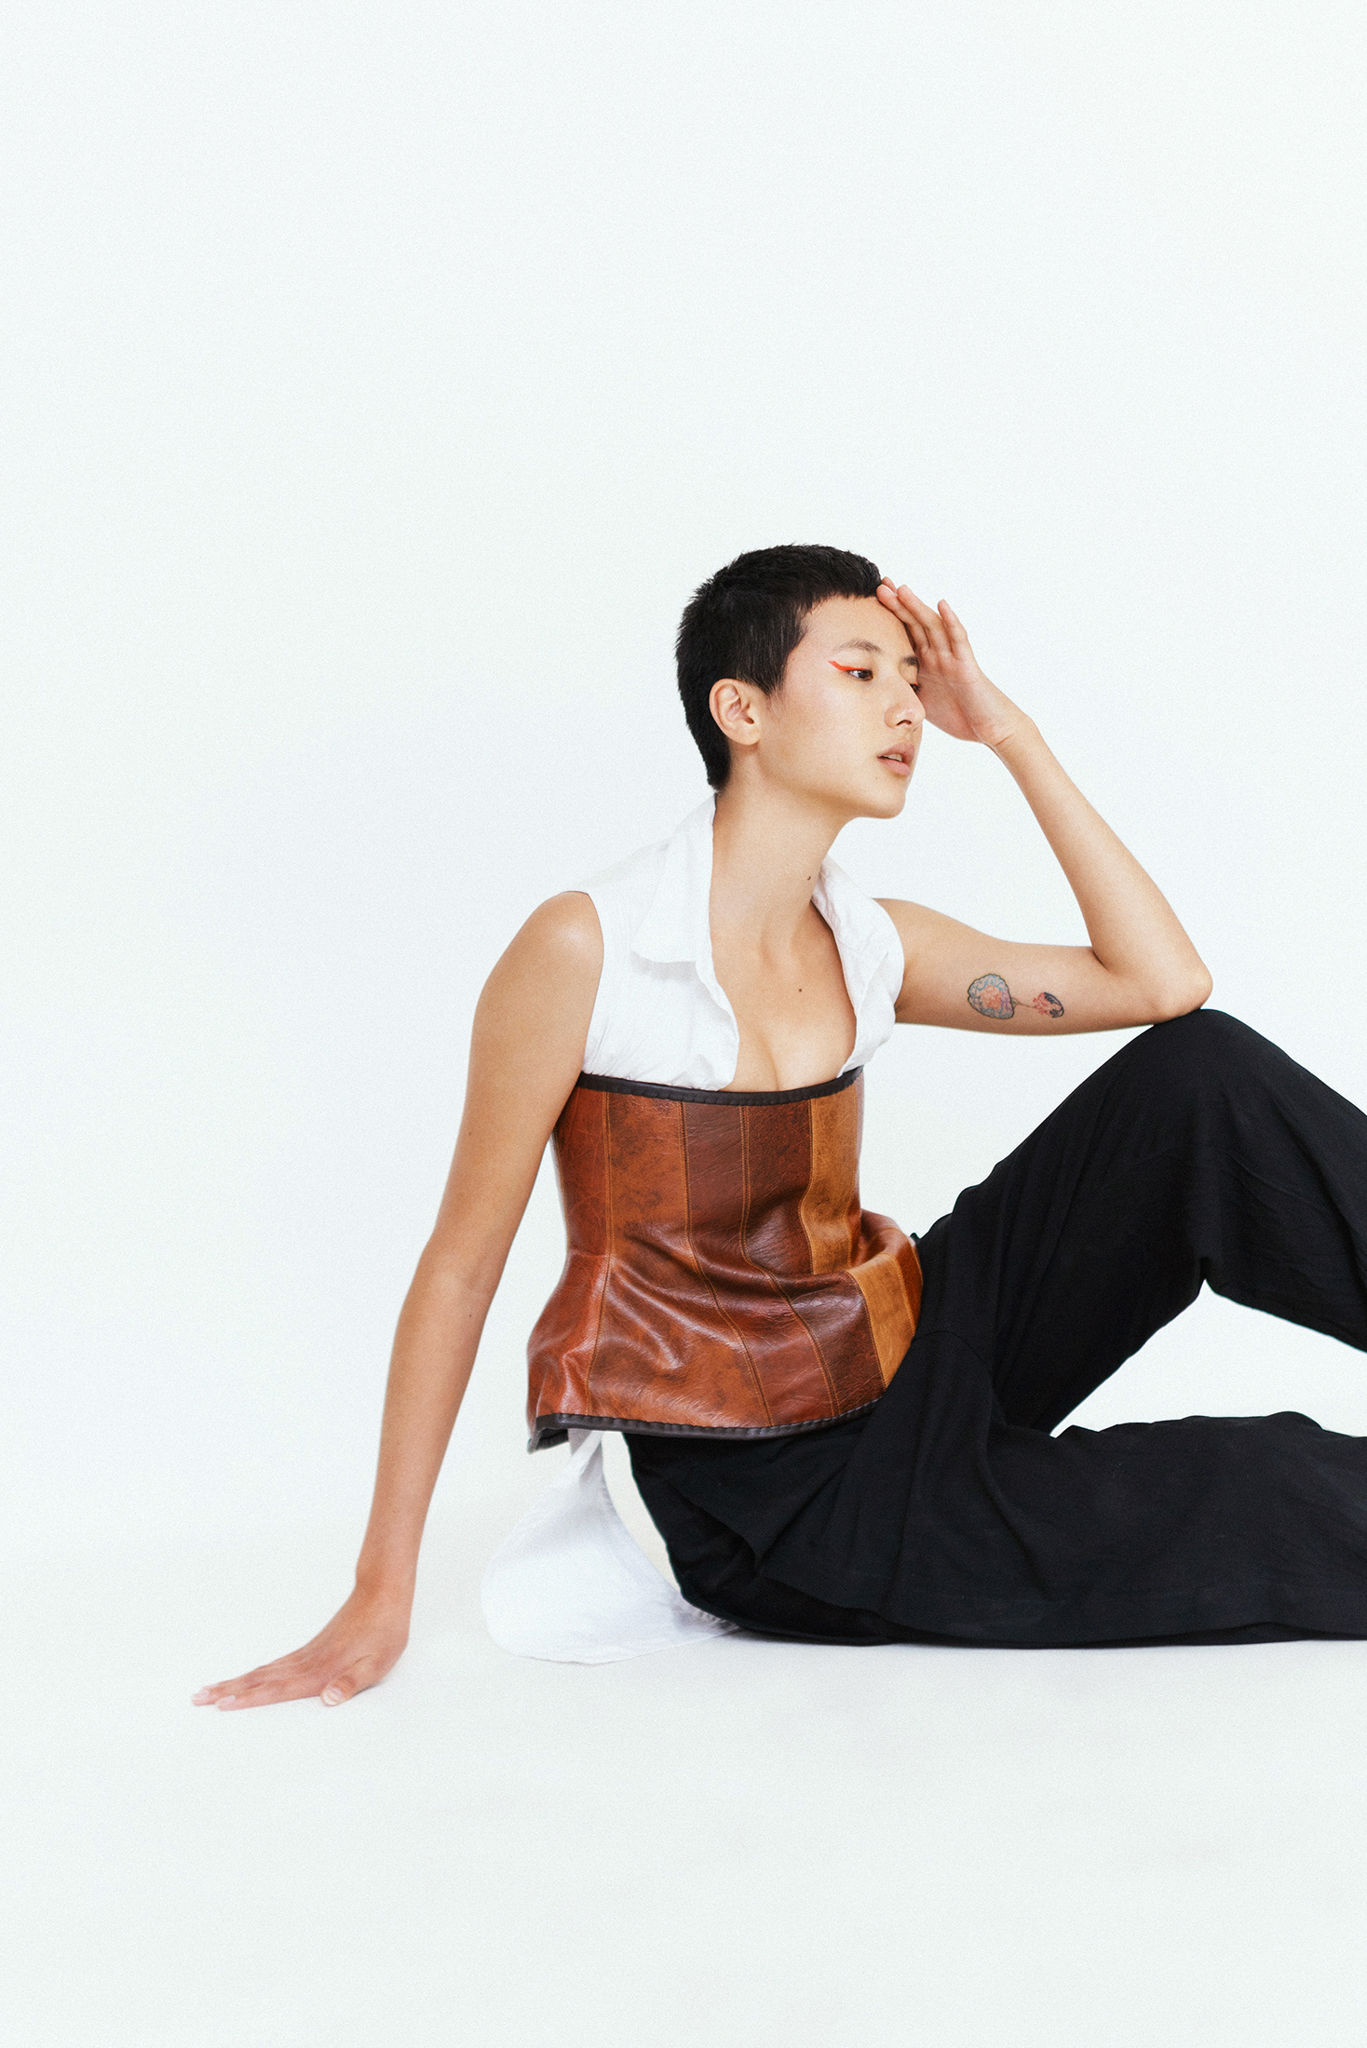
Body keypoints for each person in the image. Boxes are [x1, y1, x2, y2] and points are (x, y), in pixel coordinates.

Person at [194, 543, 1367, 1709]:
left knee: (1197, 1077)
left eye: (910, 675)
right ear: (741, 709)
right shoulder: (586, 949)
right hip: (786, 1499)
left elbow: (1162, 983)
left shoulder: (868, 941)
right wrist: (378, 1591)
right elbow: (459, 1268)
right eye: (860, 672)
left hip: (903, 1342)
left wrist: (1006, 732)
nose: (904, 705)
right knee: (1262, 1482)